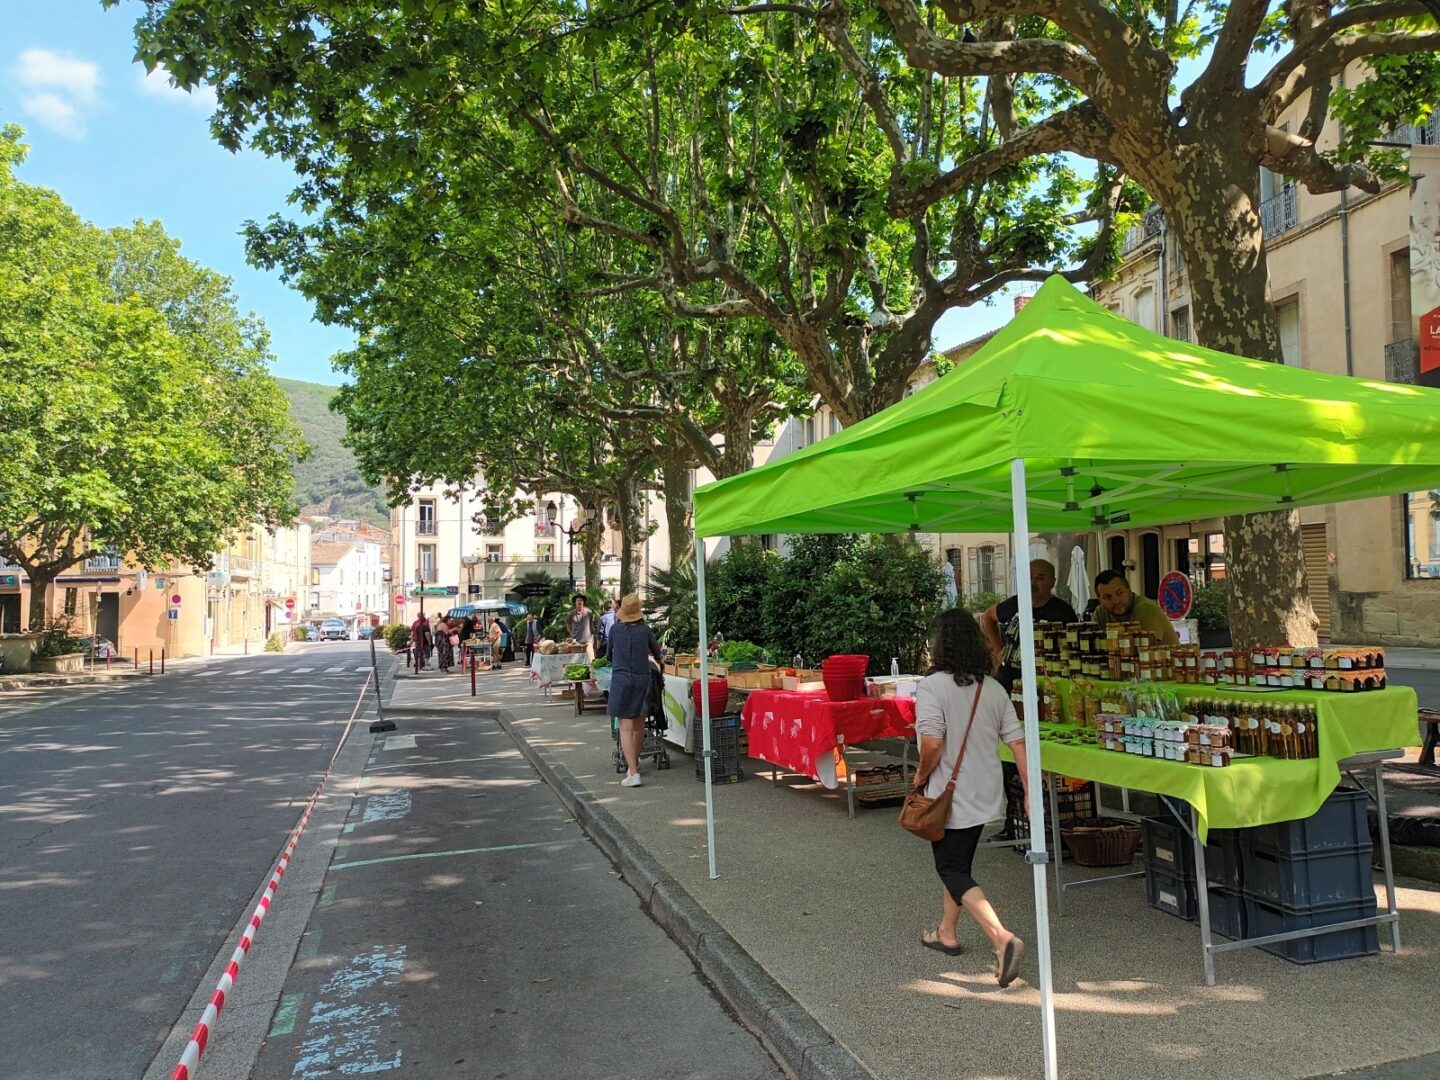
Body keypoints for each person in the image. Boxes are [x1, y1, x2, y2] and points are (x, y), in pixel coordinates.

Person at [912, 608, 1030, 988]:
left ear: (940, 645)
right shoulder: (993, 688)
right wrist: (1028, 792)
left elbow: (931, 742)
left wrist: (920, 776)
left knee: (952, 868)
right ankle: (947, 933)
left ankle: (1002, 938)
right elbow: (1018, 742)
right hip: (984, 793)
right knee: (958, 862)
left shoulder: (932, 687)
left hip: (949, 793)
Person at [980, 559, 1078, 693]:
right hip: (1009, 679)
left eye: (1040, 578)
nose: (1033, 583)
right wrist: (998, 649)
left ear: (1052, 582)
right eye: (1029, 577)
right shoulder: (1016, 603)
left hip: (1045, 681)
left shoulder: (1063, 611)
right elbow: (988, 616)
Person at [606, 592, 664, 788]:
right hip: (643, 679)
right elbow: (658, 655)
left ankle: (633, 772)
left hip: (621, 679)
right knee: (640, 725)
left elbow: (607, 655)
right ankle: (634, 763)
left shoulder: (614, 630)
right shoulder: (646, 631)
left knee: (625, 727)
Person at [1093, 569, 1179, 645]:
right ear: (1099, 600)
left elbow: (1146, 652)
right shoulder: (1100, 613)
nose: (1116, 601)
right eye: (1107, 597)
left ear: (1129, 590)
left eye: (1120, 593)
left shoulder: (1146, 609)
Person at [566, 594, 595, 660]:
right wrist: (572, 633)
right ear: (575, 602)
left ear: (583, 602)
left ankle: (591, 670)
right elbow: (568, 626)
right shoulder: (571, 614)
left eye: (581, 600)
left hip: (587, 641)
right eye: (578, 600)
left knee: (591, 659)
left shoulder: (589, 612)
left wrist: (588, 633)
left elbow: (591, 625)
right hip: (575, 642)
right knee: (574, 661)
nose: (580, 601)